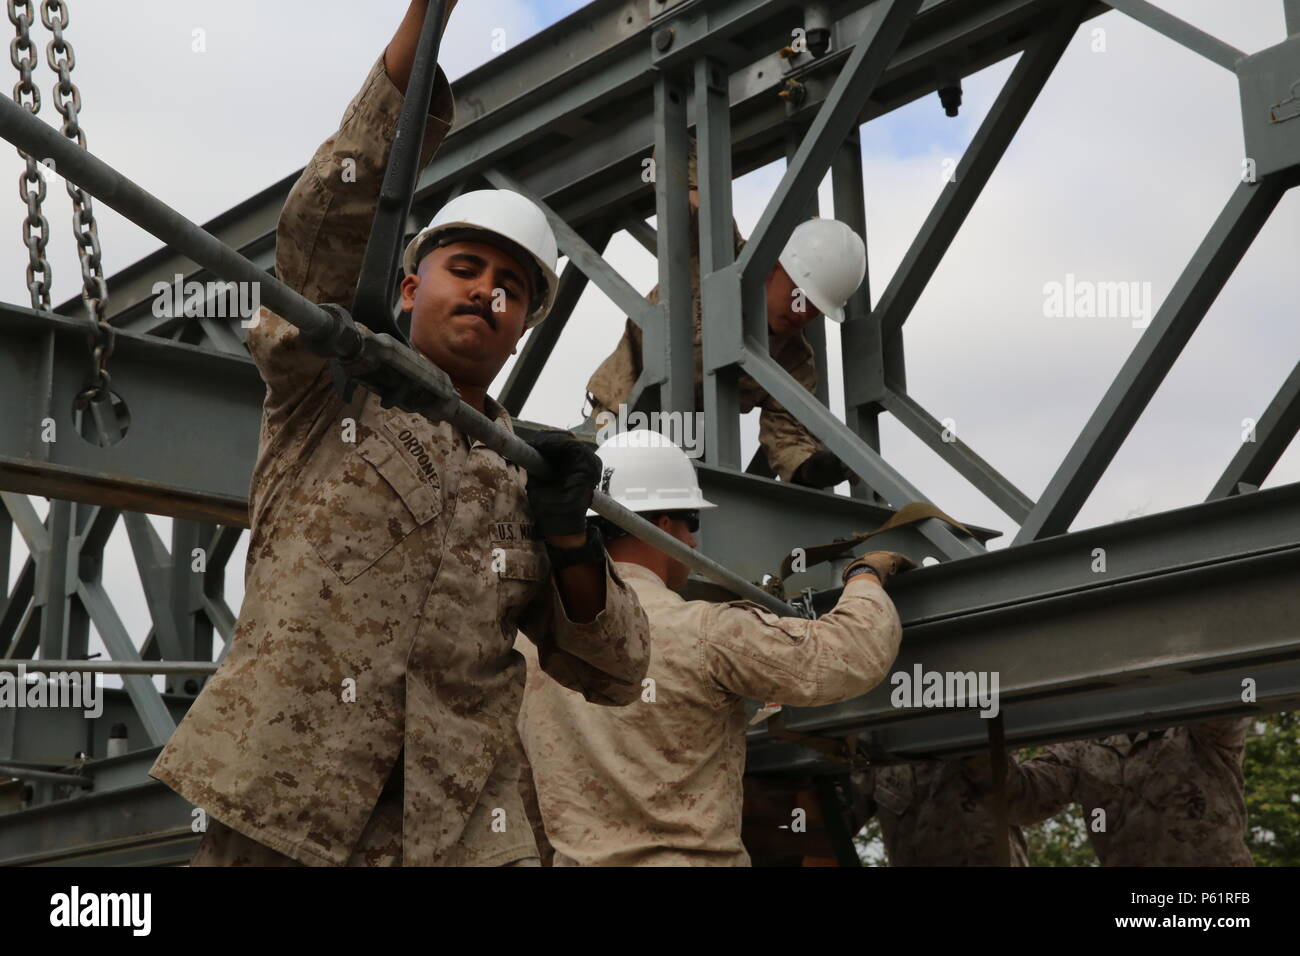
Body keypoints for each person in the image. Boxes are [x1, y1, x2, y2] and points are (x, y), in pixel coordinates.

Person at [150, 0, 650, 867]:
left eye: (511, 288)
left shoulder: (522, 473)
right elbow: (322, 230)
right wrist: (425, 25)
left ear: (524, 325)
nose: (486, 294)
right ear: (411, 286)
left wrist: (570, 537)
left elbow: (616, 671)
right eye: (465, 269)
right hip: (281, 799)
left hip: (459, 829)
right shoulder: (327, 385)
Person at [516, 429, 912, 865]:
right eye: (693, 522)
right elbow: (851, 654)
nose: (694, 543)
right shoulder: (704, 631)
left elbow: (525, 803)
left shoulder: (531, 646)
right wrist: (864, 577)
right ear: (662, 524)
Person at [585, 143, 868, 489]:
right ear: (775, 265)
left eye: (816, 309)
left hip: (684, 457)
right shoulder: (714, 253)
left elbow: (788, 443)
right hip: (615, 425)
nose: (803, 312)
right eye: (800, 295)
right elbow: (672, 151)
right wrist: (700, 197)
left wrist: (819, 468)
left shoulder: (793, 363)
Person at [986, 718, 1254, 866]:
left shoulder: (1196, 729)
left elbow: (1230, 701)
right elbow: (1018, 800)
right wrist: (993, 733)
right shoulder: (1082, 747)